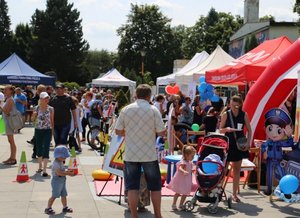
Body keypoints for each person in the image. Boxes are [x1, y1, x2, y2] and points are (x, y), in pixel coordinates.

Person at [115, 84, 166, 218]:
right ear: (149, 96)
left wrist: (130, 132)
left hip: (131, 153)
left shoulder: (126, 110)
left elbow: (118, 131)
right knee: (155, 186)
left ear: (136, 95)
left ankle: (133, 215)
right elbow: (161, 132)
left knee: (132, 186)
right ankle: (158, 215)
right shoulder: (153, 110)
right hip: (149, 154)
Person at [219, 95, 252, 202]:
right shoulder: (226, 114)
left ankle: (234, 194)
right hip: (228, 143)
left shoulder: (244, 114)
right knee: (224, 169)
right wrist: (226, 129)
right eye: (232, 105)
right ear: (229, 104)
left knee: (237, 169)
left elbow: (249, 130)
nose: (234, 107)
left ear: (240, 105)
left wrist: (248, 142)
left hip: (239, 143)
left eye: (236, 105)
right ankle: (219, 191)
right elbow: (220, 130)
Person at [45, 145, 75, 215]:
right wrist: (67, 173)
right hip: (57, 181)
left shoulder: (60, 162)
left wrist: (67, 171)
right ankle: (48, 208)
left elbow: (62, 171)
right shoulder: (56, 163)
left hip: (62, 181)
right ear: (58, 156)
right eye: (64, 157)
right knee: (54, 195)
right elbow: (59, 173)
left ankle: (65, 207)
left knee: (64, 195)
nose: (65, 158)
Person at [167, 145, 196, 210]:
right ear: (186, 155)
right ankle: (174, 204)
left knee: (185, 193)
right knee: (178, 192)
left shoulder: (189, 162)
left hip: (186, 180)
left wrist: (192, 171)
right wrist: (184, 171)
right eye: (192, 156)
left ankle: (181, 204)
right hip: (181, 180)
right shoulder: (183, 162)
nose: (193, 157)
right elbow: (179, 167)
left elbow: (190, 169)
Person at [32, 92, 54, 177]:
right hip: (38, 130)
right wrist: (34, 116)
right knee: (39, 148)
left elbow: (52, 121)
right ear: (41, 99)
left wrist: (52, 132)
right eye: (45, 98)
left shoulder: (51, 109)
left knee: (46, 148)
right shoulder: (36, 108)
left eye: (47, 98)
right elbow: (33, 120)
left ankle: (45, 169)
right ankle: (40, 166)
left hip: (47, 130)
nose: (47, 99)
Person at [0, 85, 18, 165]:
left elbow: (6, 112)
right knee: (10, 141)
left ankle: (13, 158)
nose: (4, 91)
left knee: (11, 141)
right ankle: (11, 158)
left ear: (10, 91)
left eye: (6, 90)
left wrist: (0, 106)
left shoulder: (10, 99)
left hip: (9, 122)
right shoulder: (8, 99)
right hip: (8, 122)